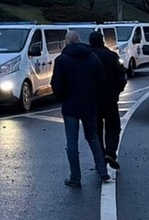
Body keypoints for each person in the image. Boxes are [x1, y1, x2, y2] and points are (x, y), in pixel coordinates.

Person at [51, 30, 110, 187]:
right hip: (89, 104)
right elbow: (102, 81)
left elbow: (56, 85)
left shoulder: (62, 60)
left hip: (70, 106)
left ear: (66, 42)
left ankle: (75, 177)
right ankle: (103, 171)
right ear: (80, 41)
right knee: (93, 137)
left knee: (72, 142)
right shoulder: (92, 57)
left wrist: (62, 97)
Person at [89, 31, 127, 170]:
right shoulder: (111, 56)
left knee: (96, 130)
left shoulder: (87, 56)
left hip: (92, 100)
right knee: (113, 126)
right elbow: (122, 76)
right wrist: (117, 91)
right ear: (103, 41)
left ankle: (100, 158)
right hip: (110, 99)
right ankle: (110, 152)